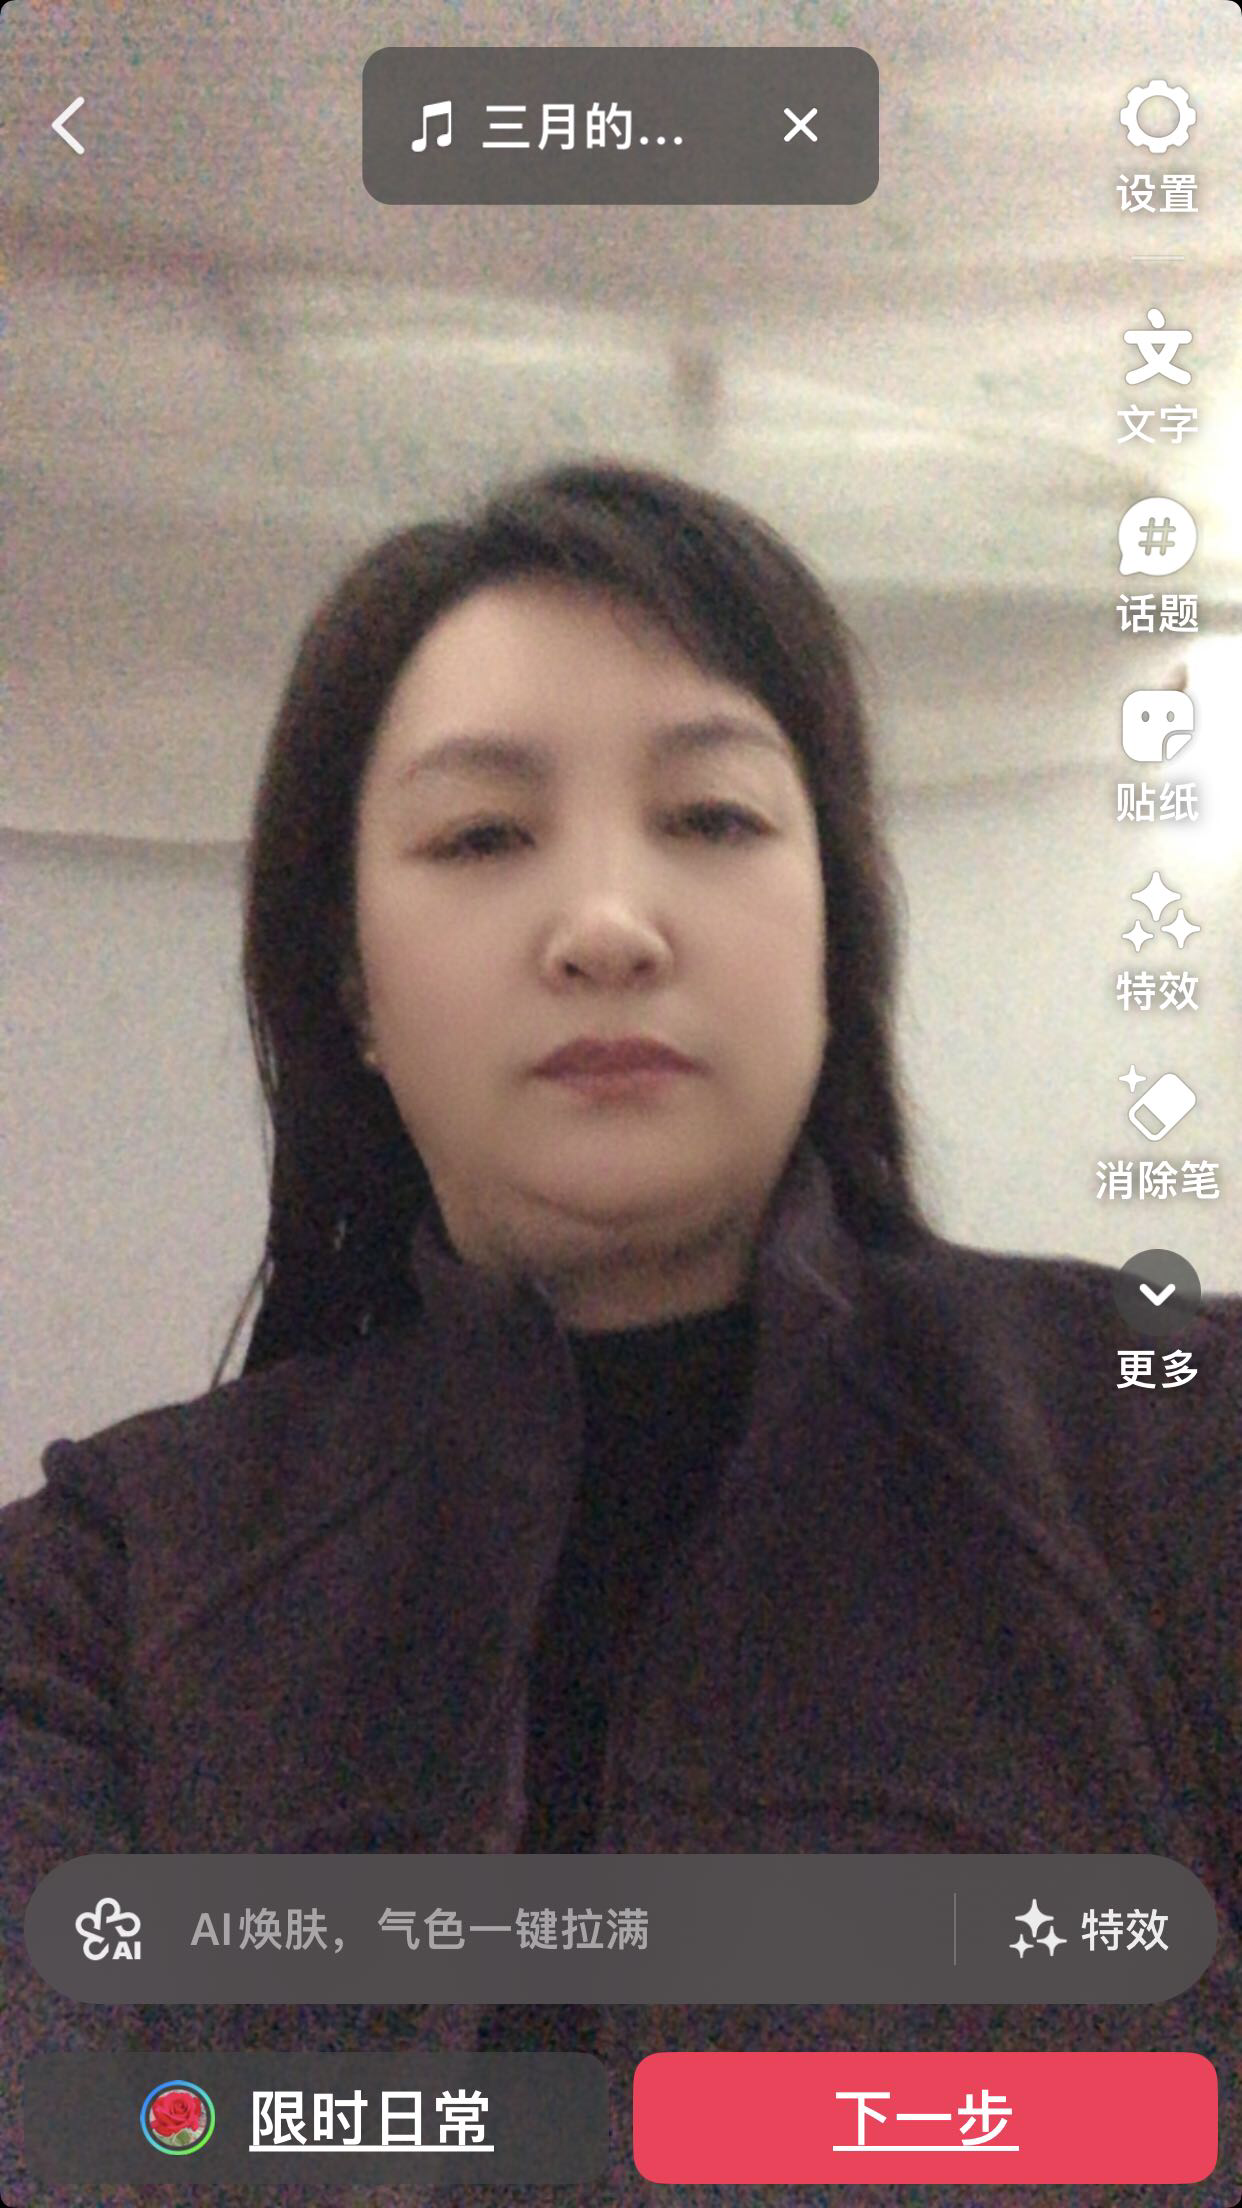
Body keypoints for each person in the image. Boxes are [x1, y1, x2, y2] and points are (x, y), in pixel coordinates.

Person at [2, 459, 1238, 2208]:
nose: (602, 926)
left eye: (712, 818)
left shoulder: (1171, 1439)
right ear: (350, 984)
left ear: (834, 933)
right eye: (481, 837)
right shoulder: (110, 1583)